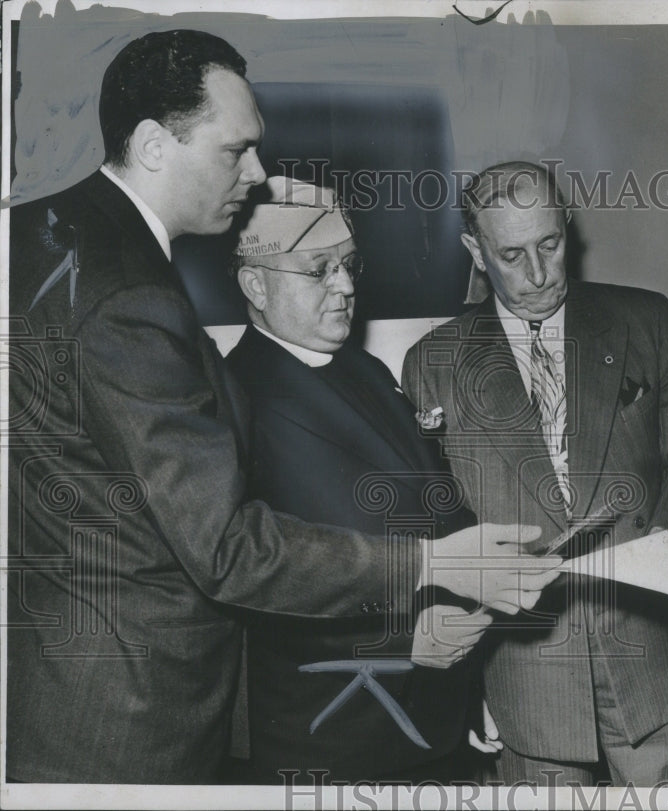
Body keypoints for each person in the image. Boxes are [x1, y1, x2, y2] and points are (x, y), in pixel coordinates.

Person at [5, 31, 557, 784]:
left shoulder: (33, 234)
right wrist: (434, 564)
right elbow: (228, 549)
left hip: (55, 679)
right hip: (130, 715)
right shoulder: (132, 293)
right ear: (154, 146)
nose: (258, 172)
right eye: (237, 151)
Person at [401, 161, 668, 786]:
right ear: (475, 249)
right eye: (512, 254)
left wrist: (658, 551)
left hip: (656, 663)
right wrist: (470, 688)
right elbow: (440, 532)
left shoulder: (646, 321)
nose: (540, 273)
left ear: (567, 225)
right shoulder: (432, 362)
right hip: (526, 679)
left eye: (550, 244)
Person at [226, 176, 502, 783]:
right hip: (330, 734)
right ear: (255, 285)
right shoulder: (228, 398)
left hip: (435, 715)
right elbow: (250, 577)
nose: (346, 287)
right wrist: (400, 644)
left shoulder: (369, 369)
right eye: (318, 270)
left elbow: (436, 504)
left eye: (349, 266)